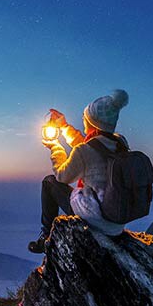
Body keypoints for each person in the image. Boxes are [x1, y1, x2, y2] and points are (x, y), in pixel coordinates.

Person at [29, 89, 130, 254]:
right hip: (116, 221)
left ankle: (46, 237)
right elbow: (88, 147)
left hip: (96, 219)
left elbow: (62, 176)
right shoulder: (120, 143)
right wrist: (64, 126)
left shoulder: (86, 150)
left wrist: (55, 147)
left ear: (92, 122)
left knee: (49, 182)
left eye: (85, 118)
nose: (83, 120)